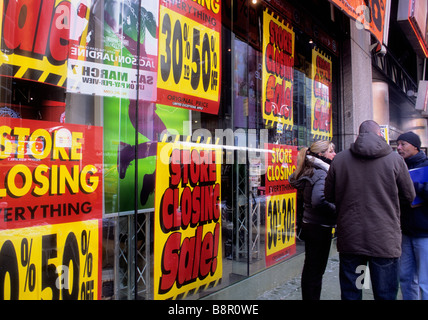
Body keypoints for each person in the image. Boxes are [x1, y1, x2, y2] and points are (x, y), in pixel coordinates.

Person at [324, 120, 415, 300]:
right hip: (384, 241)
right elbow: (409, 196)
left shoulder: (340, 159)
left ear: (359, 136)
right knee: (385, 294)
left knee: (353, 292)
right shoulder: (395, 160)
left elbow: (329, 195)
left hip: (352, 240)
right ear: (379, 135)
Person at [289, 140, 336, 300]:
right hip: (319, 227)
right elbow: (318, 200)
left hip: (311, 225)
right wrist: (337, 210)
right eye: (331, 151)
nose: (334, 154)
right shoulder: (321, 172)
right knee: (315, 271)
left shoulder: (311, 170)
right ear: (321, 154)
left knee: (311, 268)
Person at [397, 131, 428, 300]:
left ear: (415, 146)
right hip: (406, 232)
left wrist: (414, 185)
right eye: (398, 145)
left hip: (424, 233)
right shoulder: (399, 166)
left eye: (403, 144)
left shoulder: (426, 166)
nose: (399, 148)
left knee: (425, 281)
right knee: (406, 278)